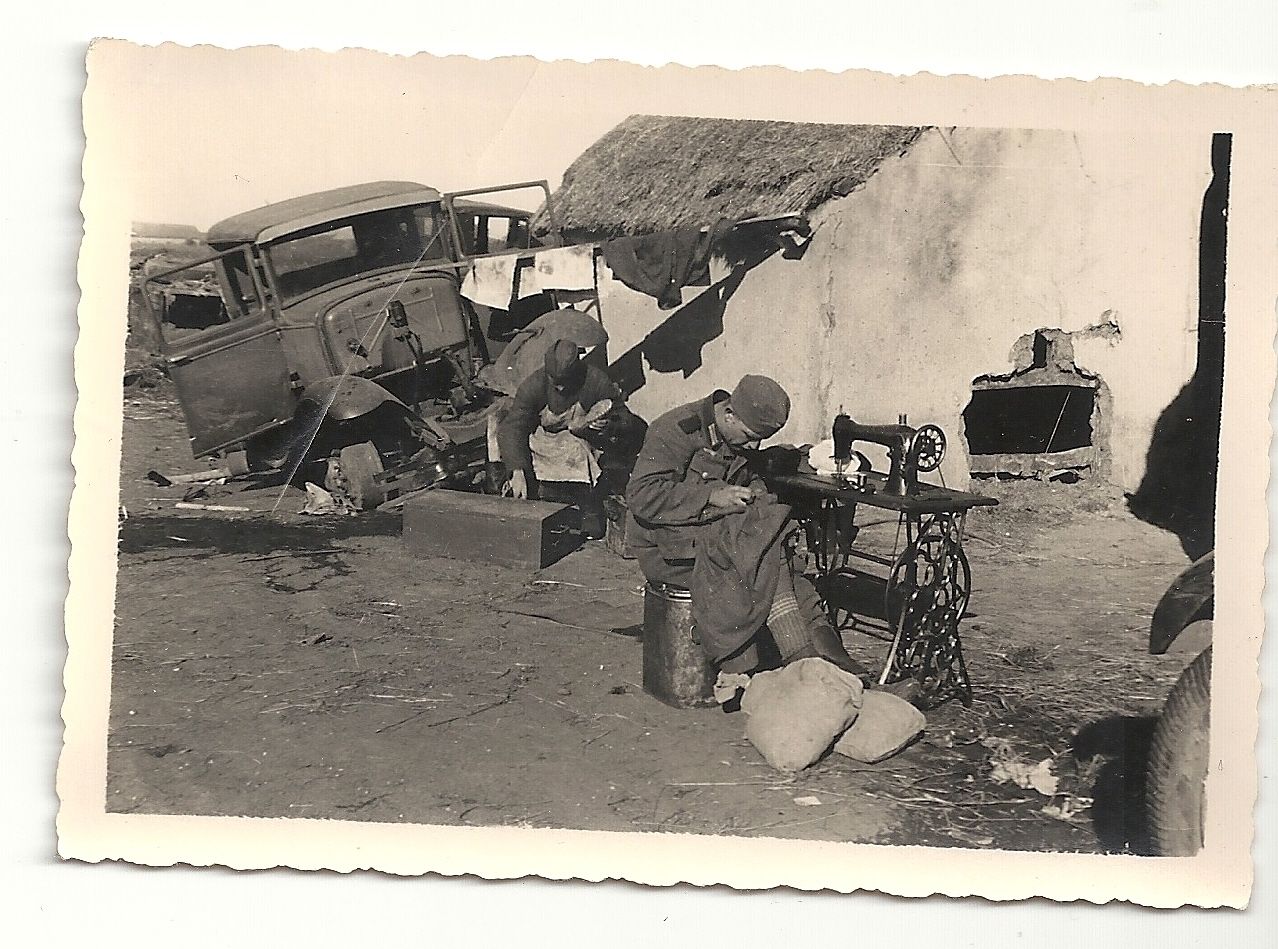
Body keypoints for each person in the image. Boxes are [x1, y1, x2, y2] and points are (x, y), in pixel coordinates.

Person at [626, 374, 911, 695]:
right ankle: (815, 670)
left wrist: (801, 465)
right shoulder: (676, 430)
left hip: (720, 540)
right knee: (766, 552)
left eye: (760, 440)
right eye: (750, 437)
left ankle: (844, 674)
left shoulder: (738, 435)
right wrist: (711, 496)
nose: (753, 447)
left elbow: (752, 468)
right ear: (729, 413)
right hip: (669, 549)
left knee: (777, 558)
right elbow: (641, 495)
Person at [497, 338, 641, 538]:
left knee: (580, 451)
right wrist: (516, 469)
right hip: (544, 439)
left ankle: (589, 508)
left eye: (565, 382)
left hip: (580, 439)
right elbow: (513, 426)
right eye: (555, 382)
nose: (561, 389)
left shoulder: (595, 380)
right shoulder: (534, 384)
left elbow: (623, 416)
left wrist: (609, 425)